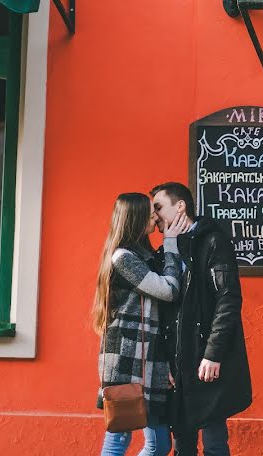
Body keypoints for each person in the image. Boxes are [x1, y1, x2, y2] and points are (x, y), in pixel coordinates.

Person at [150, 182, 252, 456]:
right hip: (177, 361)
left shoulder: (213, 241)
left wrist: (213, 353)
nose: (155, 216)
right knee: (182, 444)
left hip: (205, 358)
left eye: (159, 207)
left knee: (214, 442)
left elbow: (228, 299)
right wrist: (163, 362)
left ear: (180, 206)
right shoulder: (166, 250)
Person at [93, 192, 189, 456]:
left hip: (151, 357)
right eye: (150, 214)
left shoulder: (144, 254)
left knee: (159, 444)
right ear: (135, 219)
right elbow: (168, 290)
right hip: (126, 357)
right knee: (119, 439)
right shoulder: (123, 258)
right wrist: (170, 244)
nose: (155, 217)